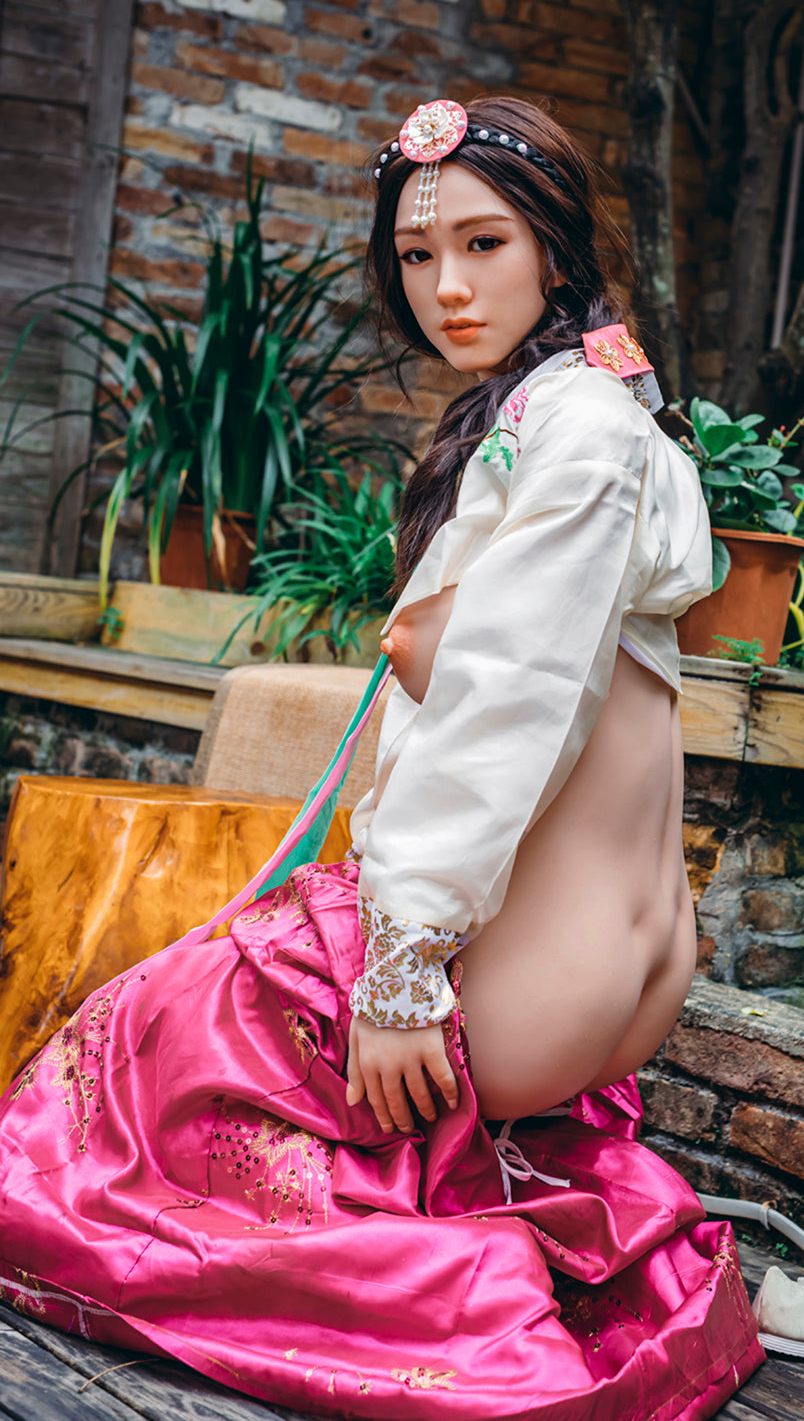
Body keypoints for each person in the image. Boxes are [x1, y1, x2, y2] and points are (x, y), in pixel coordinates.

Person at [0, 97, 764, 1419]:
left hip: (524, 985)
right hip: (613, 967)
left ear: (557, 249)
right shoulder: (606, 415)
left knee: (135, 1044)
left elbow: (501, 712)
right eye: (418, 256)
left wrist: (402, 973)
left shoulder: (575, 430)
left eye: (483, 243)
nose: (448, 287)